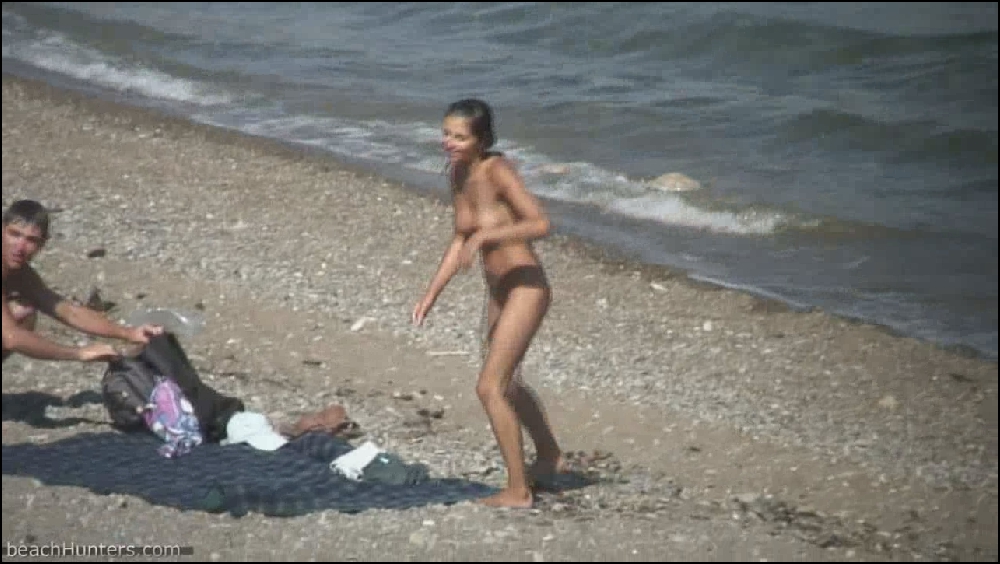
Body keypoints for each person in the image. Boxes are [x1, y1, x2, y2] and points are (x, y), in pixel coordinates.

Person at [412, 99, 567, 508]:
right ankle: (550, 455)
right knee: (507, 384)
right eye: (446, 134)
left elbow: (541, 223)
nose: (449, 143)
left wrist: (486, 236)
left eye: (459, 137)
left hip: (526, 286)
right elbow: (460, 238)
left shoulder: (497, 170)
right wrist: (431, 294)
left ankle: (518, 490)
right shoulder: (457, 172)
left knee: (489, 387)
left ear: (481, 140)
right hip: (497, 289)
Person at [2, 199, 162, 364]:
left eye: (31, 240)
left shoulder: (20, 273)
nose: (20, 247)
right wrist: (79, 353)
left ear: (42, 244)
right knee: (17, 315)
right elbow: (11, 338)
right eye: (14, 234)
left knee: (24, 311)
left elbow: (67, 311)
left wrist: (129, 333)